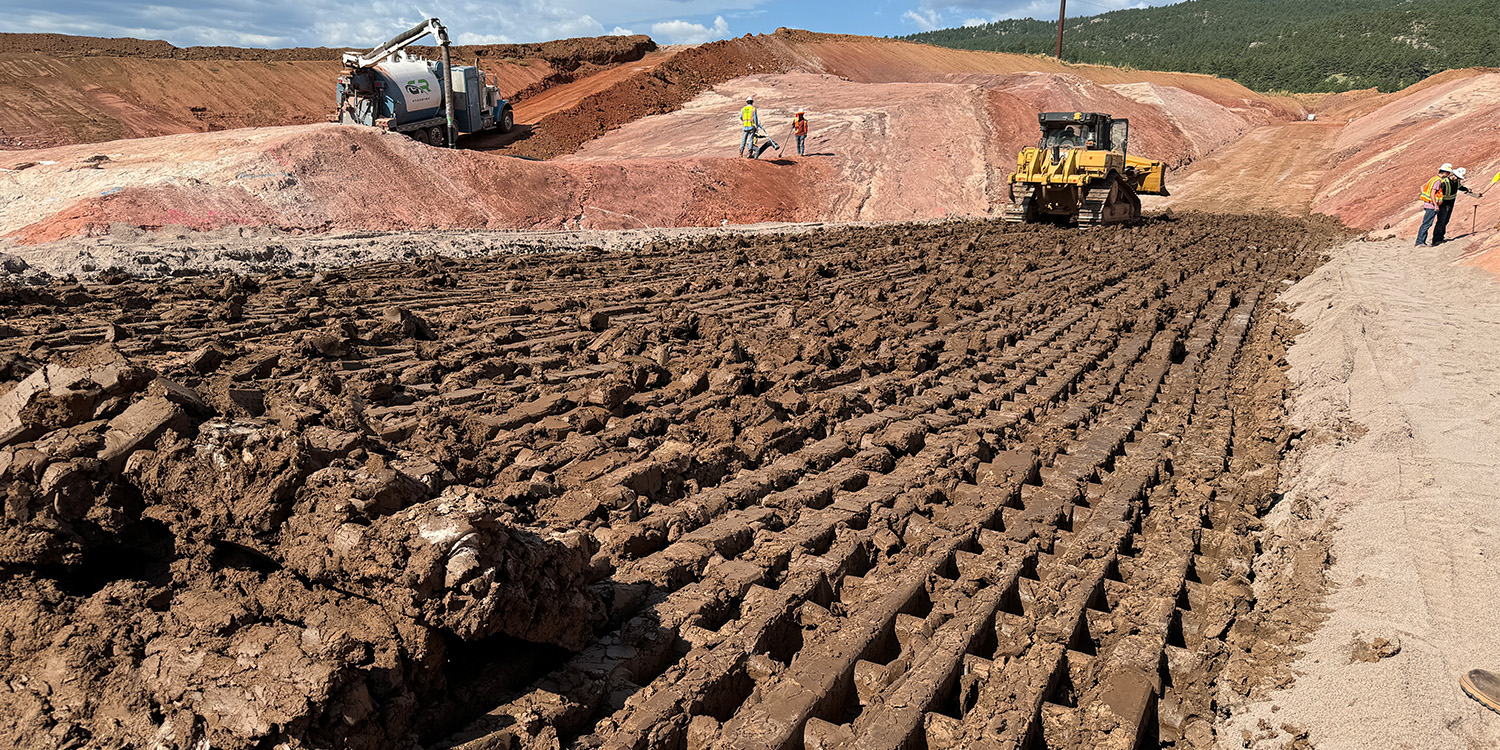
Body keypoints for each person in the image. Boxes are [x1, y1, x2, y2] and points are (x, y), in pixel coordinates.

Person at [1433, 166, 1483, 245]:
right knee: (1441, 221)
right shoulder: (1444, 182)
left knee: (1446, 220)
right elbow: (1436, 191)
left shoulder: (1457, 182)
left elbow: (1461, 188)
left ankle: (1441, 237)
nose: (1458, 179)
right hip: (1443, 203)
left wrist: (1470, 192)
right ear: (1453, 175)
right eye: (1457, 177)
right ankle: (1436, 240)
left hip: (1450, 203)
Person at [1416, 164, 1452, 247]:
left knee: (1426, 223)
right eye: (1448, 173)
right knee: (1427, 224)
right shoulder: (1438, 181)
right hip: (1431, 205)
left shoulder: (1433, 178)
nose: (1448, 175)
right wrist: (1435, 205)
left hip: (1428, 203)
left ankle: (1421, 241)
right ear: (1445, 173)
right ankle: (1420, 242)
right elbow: (1433, 193)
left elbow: (1423, 187)